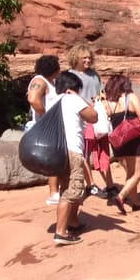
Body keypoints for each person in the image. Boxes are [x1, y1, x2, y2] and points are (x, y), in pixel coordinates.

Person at [51, 71, 98, 246]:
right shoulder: (72, 98)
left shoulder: (54, 101)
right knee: (72, 190)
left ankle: (73, 223)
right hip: (72, 150)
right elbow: (93, 117)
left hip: (57, 151)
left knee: (65, 186)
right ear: (72, 87)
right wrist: (81, 98)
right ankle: (61, 232)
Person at [103, 73, 140, 215]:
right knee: (138, 174)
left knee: (130, 173)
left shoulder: (107, 101)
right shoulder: (131, 98)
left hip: (117, 141)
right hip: (133, 139)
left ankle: (136, 203)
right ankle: (121, 196)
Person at [67, 44, 116, 198]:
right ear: (76, 58)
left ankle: (109, 184)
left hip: (98, 117)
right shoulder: (70, 75)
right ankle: (91, 185)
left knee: (103, 150)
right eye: (84, 58)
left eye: (89, 57)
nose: (88, 60)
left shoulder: (94, 75)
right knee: (85, 153)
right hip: (82, 119)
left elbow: (100, 92)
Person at [27, 54, 62, 206]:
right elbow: (33, 99)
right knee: (53, 159)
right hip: (46, 127)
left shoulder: (49, 82)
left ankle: (57, 191)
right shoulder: (39, 81)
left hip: (52, 126)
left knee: (56, 158)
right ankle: (53, 193)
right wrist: (47, 117)